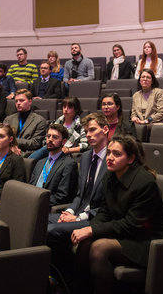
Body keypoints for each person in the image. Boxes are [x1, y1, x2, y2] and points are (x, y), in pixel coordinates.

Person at [71, 134, 163, 294]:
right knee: (85, 242)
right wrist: (91, 229)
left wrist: (92, 230)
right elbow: (104, 211)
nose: (110, 158)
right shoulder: (109, 176)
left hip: (149, 239)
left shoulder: (144, 182)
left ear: (131, 159)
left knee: (100, 248)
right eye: (109, 152)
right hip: (127, 232)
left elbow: (132, 224)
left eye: (117, 154)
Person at [47, 113, 109, 280]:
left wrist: (77, 218)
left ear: (105, 129)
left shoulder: (113, 158)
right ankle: (51, 277)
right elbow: (80, 195)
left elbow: (107, 204)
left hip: (96, 217)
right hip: (78, 212)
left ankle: (62, 279)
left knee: (51, 230)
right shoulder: (87, 156)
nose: (88, 135)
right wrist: (69, 211)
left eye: (93, 130)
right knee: (39, 221)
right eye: (86, 131)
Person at [29, 124, 78, 207]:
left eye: (55, 137)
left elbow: (62, 196)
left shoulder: (69, 164)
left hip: (45, 207)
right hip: (29, 202)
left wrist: (38, 202)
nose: (50, 140)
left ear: (64, 141)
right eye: (48, 136)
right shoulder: (40, 162)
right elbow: (31, 186)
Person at [29, 96, 88, 161]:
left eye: (69, 107)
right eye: (64, 106)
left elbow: (84, 145)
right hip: (50, 150)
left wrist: (68, 150)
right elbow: (45, 140)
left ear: (76, 109)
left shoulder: (80, 126)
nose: (65, 109)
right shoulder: (56, 122)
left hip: (66, 154)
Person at [3, 89, 47, 156]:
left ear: (30, 101)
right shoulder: (8, 119)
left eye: (21, 100)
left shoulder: (40, 120)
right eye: (16, 101)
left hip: (27, 154)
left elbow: (35, 143)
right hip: (8, 151)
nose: (18, 103)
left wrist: (14, 141)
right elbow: (3, 138)